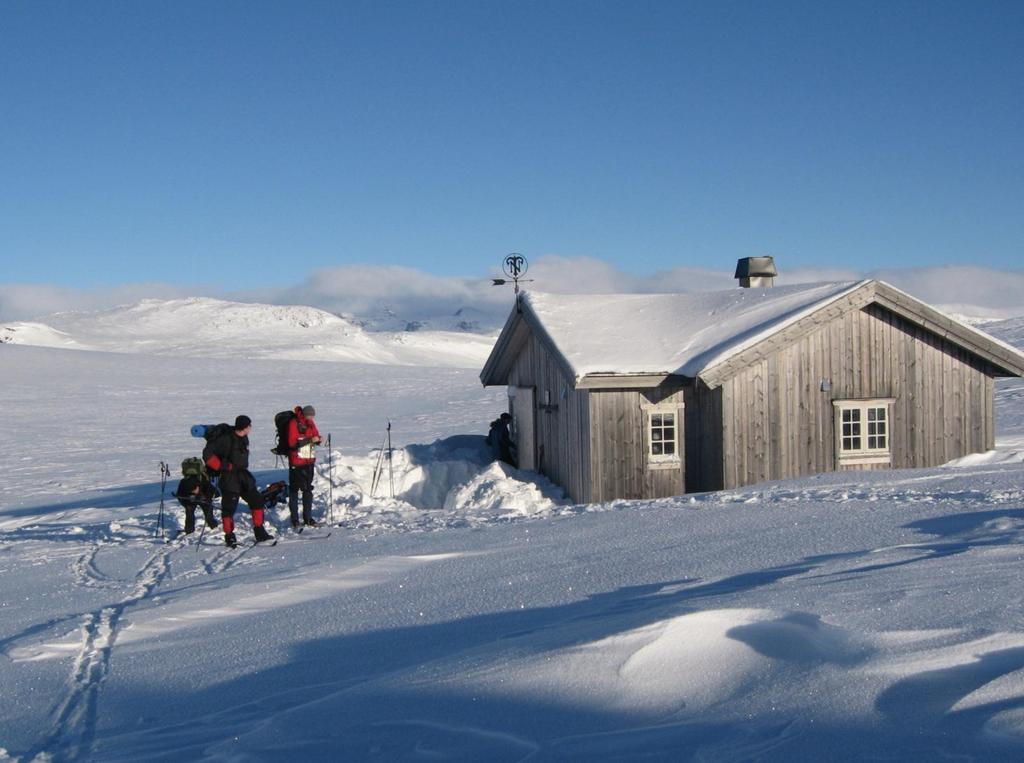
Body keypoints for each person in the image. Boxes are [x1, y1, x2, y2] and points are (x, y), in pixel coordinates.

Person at [202, 415, 274, 547]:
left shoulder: (244, 437)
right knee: (228, 509)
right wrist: (221, 466)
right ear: (244, 427)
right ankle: (229, 537)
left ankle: (260, 532)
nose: (251, 428)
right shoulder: (225, 439)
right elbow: (207, 454)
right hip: (229, 478)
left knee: (257, 500)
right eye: (249, 425)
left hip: (243, 477)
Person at [286, 405, 322, 528]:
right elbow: (292, 443)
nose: (312, 418)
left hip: (309, 460)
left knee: (307, 490)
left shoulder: (310, 422)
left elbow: (315, 436)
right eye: (310, 415)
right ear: (305, 414)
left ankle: (308, 518)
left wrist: (318, 440)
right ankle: (294, 519)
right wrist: (311, 440)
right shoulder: (294, 423)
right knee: (294, 490)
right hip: (296, 461)